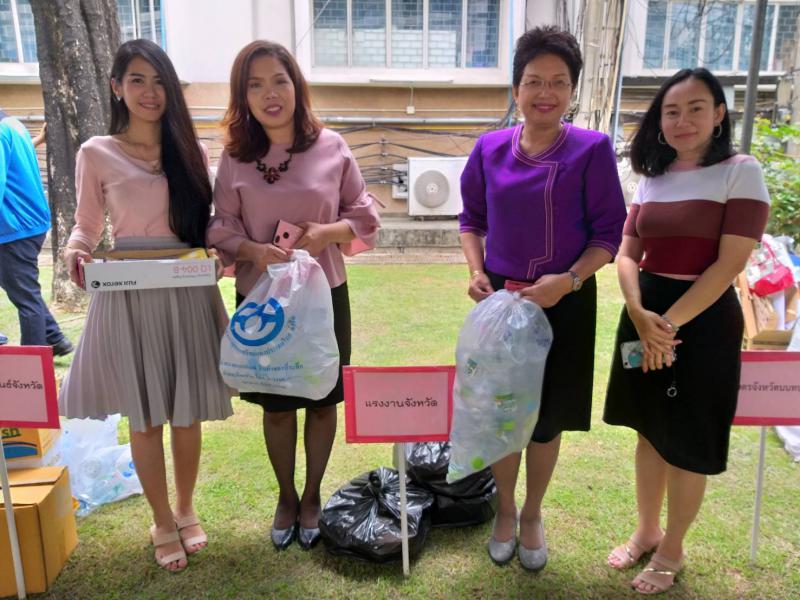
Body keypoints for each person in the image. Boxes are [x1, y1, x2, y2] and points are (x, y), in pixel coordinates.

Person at [59, 39, 232, 572]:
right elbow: (87, 225)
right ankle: (160, 519)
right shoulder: (96, 152)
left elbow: (206, 225)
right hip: (128, 292)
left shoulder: (192, 150)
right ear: (117, 87)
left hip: (185, 286)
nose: (150, 92)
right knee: (145, 415)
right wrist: (75, 250)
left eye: (159, 81)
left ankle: (185, 508)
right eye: (137, 80)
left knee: (186, 412)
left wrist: (219, 249)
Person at [459, 26, 626, 571]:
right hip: (503, 303)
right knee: (503, 413)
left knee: (547, 418)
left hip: (566, 303)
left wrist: (569, 281)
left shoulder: (592, 150)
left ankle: (532, 513)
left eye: (558, 82)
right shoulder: (488, 149)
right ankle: (505, 510)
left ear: (572, 91)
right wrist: (477, 271)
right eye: (534, 81)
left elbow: (609, 235)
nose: (545, 92)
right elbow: (471, 220)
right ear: (516, 88)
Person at [207, 40, 380, 551]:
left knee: (323, 400)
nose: (270, 94)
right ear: (243, 96)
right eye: (255, 85)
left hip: (323, 296)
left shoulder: (331, 146)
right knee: (277, 405)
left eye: (279, 81)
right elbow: (220, 226)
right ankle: (286, 496)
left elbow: (364, 215)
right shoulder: (235, 158)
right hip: (263, 303)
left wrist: (328, 233)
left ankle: (312, 495)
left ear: (296, 86)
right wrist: (253, 251)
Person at [603, 68, 770, 594]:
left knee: (687, 440)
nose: (683, 120)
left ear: (718, 114)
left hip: (702, 321)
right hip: (644, 313)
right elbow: (627, 253)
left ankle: (672, 548)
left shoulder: (740, 172)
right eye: (671, 111)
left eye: (696, 108)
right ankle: (646, 530)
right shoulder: (652, 177)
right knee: (648, 429)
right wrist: (638, 312)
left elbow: (729, 264)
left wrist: (668, 326)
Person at [0, 111, 72, 354]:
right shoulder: (12, 125)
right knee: (20, 287)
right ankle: (55, 338)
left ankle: (34, 363)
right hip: (29, 222)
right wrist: (39, 140)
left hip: (14, 227)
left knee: (25, 298)